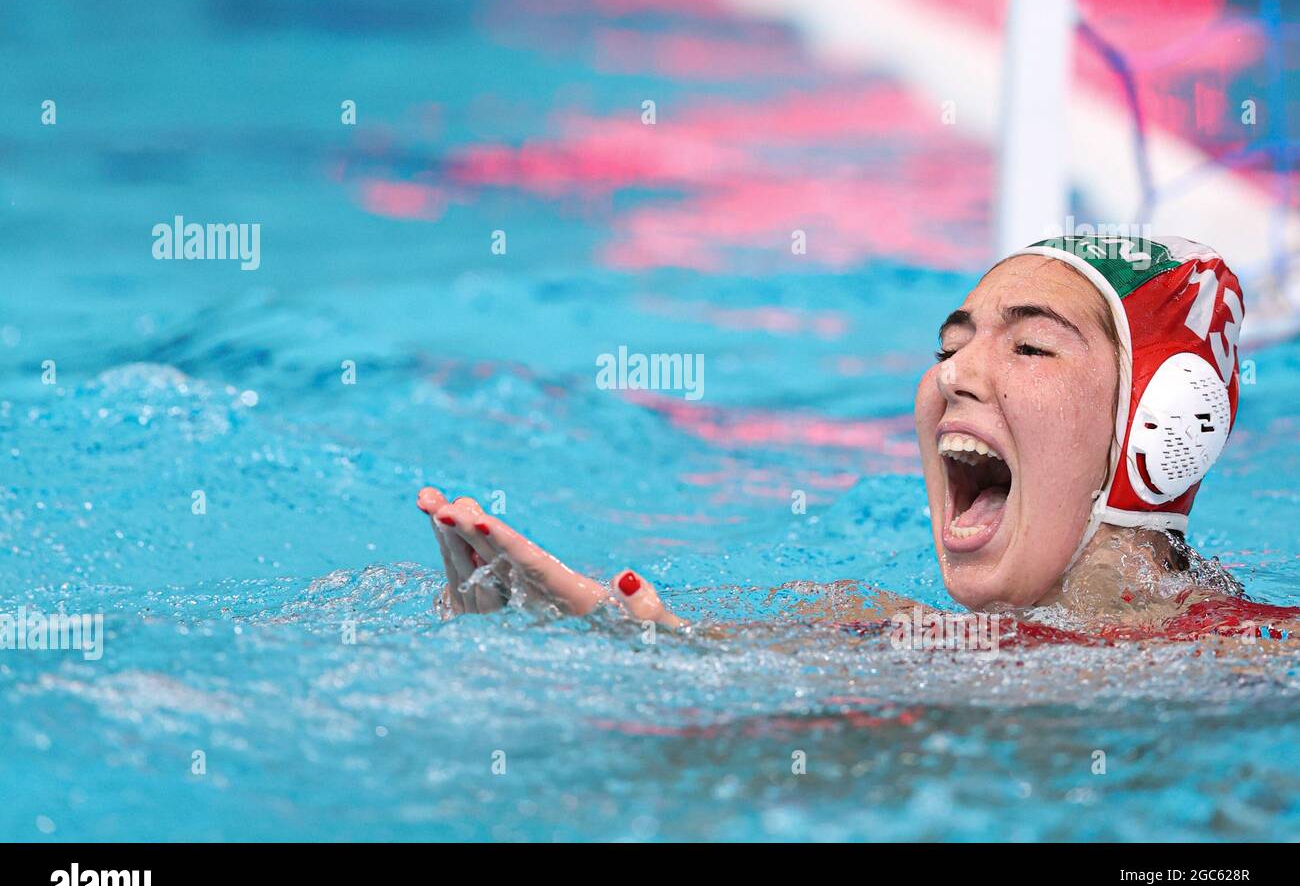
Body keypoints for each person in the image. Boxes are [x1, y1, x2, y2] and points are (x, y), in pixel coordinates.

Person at [417, 235, 1296, 644]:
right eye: (949, 348)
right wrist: (586, 633)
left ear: (1160, 425)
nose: (955, 375)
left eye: (1029, 346)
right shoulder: (887, 631)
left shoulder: (1256, 659)